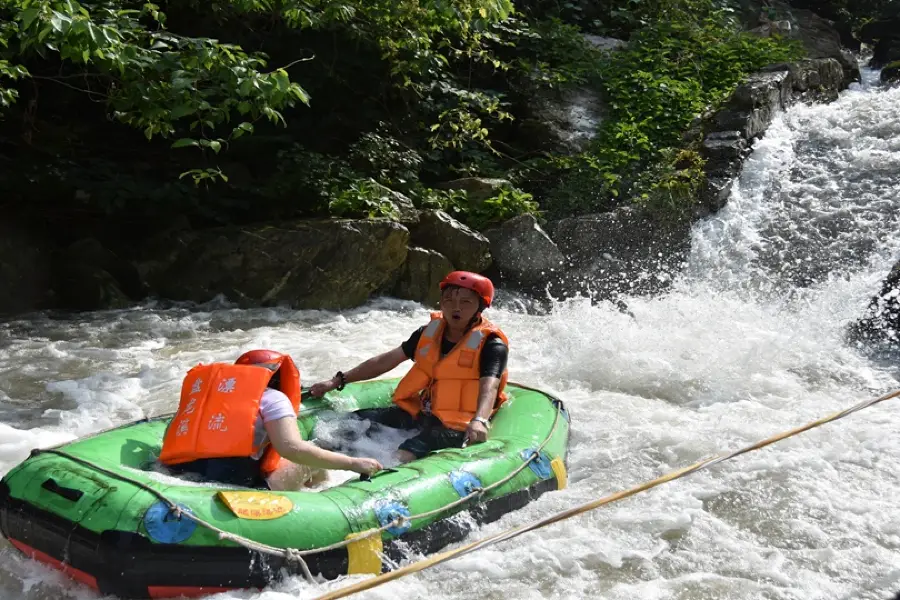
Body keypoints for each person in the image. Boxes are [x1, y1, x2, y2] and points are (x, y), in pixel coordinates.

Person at [309, 271, 509, 464]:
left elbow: (489, 386)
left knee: (409, 449)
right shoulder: (428, 333)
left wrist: (480, 420)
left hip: (458, 423)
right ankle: (316, 459)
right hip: (424, 412)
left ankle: (370, 480)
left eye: (465, 302)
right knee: (354, 420)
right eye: (449, 300)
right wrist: (337, 381)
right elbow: (385, 361)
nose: (455, 307)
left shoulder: (491, 344)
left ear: (480, 307)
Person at [159, 349, 382, 490]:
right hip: (236, 487)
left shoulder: (203, 398)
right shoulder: (273, 398)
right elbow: (292, 449)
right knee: (308, 457)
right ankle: (319, 495)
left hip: (182, 476)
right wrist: (352, 463)